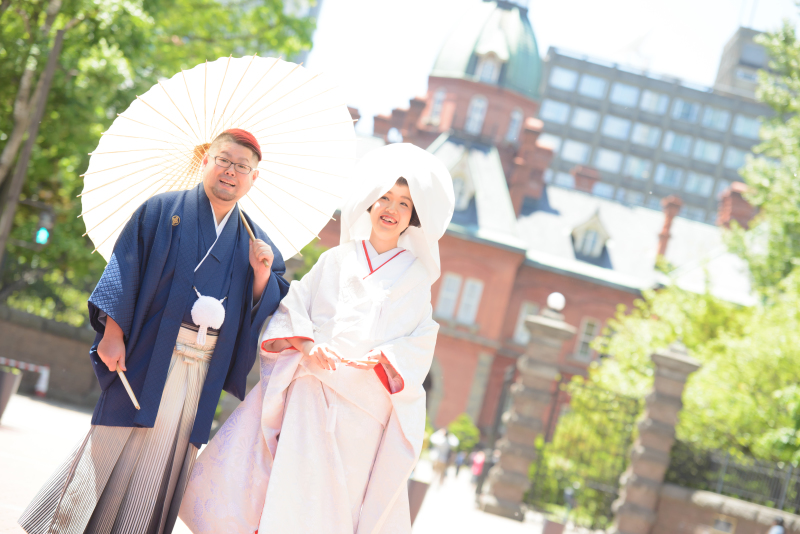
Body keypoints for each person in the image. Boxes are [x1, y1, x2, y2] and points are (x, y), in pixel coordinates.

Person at [19, 129, 289, 534]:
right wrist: (112, 333)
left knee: (168, 455)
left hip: (201, 367)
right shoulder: (161, 211)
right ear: (205, 161)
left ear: (254, 178)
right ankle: (66, 525)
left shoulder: (257, 242)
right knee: (113, 440)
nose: (231, 172)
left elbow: (266, 301)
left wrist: (262, 274)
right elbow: (126, 268)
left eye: (242, 167)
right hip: (148, 350)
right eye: (224, 160)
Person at [179, 143, 455, 534]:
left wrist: (385, 357)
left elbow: (421, 339)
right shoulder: (335, 260)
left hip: (364, 408)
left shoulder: (415, 277)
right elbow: (295, 309)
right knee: (287, 490)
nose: (392, 209)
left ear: (413, 218)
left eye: (405, 204)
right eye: (385, 198)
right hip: (310, 390)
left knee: (338, 503)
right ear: (370, 204)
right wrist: (309, 346)